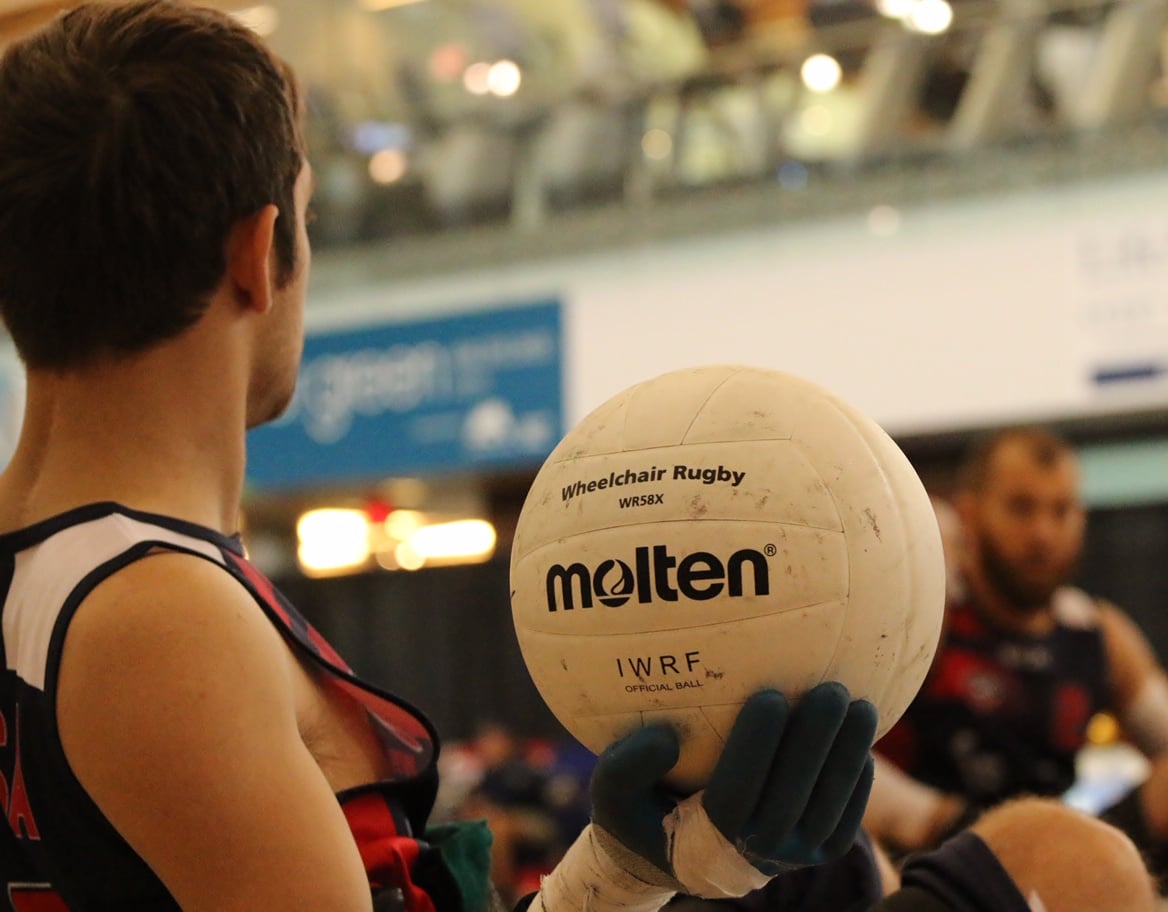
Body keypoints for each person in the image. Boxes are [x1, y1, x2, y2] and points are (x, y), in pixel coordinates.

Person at [0, 4, 880, 911]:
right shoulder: (156, 620)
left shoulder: (82, 579)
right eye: (308, 220)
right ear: (256, 255)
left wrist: (627, 872)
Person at [865, 427, 1168, 888]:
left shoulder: (1097, 632)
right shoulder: (927, 612)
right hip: (934, 854)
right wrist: (933, 819)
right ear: (970, 513)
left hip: (1059, 847)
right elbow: (839, 759)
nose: (1043, 533)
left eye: (1060, 510)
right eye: (1021, 508)